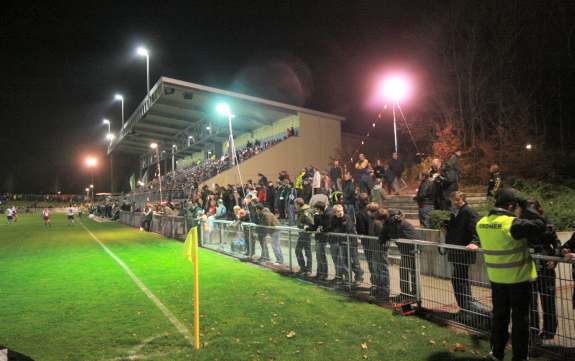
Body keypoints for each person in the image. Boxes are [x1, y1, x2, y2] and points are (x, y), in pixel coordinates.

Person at [472, 188, 546, 361]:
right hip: (518, 280)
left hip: (497, 280)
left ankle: (496, 353)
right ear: (512, 205)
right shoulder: (511, 224)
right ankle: (519, 357)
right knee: (520, 322)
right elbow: (541, 225)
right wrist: (527, 207)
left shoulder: (481, 222)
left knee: (499, 319)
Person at [523, 199, 561, 341]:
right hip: (528, 267)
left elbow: (557, 243)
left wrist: (555, 258)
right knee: (530, 302)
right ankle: (532, 331)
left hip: (546, 267)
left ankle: (549, 331)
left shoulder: (547, 225)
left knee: (548, 300)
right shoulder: (521, 226)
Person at [444, 191, 484, 321]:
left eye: (457, 200)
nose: (455, 203)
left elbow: (476, 229)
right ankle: (465, 309)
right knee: (459, 280)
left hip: (463, 252)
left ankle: (466, 309)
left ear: (463, 199)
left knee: (460, 281)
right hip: (455, 251)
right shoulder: (455, 212)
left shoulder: (469, 211)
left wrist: (475, 242)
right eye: (453, 200)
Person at [382, 209, 418, 301]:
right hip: (407, 250)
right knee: (407, 272)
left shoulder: (401, 224)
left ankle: (410, 294)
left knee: (406, 272)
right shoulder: (396, 224)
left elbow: (395, 235)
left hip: (411, 250)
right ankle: (409, 294)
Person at [295, 197, 314, 275]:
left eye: (295, 204)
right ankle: (304, 268)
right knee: (300, 251)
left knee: (306, 251)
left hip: (305, 234)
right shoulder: (301, 210)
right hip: (302, 233)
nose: (294, 206)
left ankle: (308, 269)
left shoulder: (305, 211)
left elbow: (311, 222)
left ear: (298, 204)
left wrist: (303, 226)